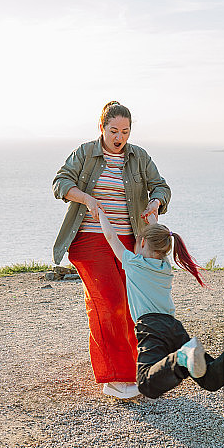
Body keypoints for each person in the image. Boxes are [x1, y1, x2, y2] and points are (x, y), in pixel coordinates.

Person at [52, 101, 171, 399]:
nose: (119, 137)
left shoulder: (139, 156)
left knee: (130, 306)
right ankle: (115, 377)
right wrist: (87, 199)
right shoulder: (85, 153)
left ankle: (135, 369)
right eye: (114, 130)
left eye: (125, 131)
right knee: (109, 302)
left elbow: (161, 187)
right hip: (90, 241)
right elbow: (60, 183)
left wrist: (155, 203)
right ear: (102, 127)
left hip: (130, 242)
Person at [96, 208, 224, 399]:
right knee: (210, 379)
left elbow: (111, 237)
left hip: (151, 327)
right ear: (164, 249)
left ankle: (182, 358)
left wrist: (100, 213)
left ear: (142, 243)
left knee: (145, 384)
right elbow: (156, 240)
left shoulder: (134, 263)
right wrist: (152, 221)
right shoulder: (164, 266)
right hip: (173, 327)